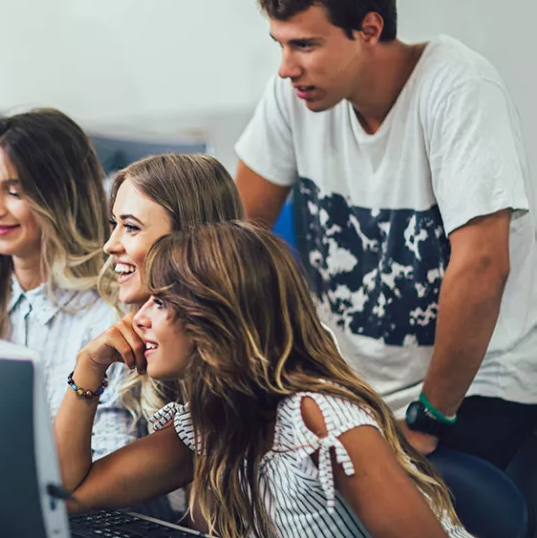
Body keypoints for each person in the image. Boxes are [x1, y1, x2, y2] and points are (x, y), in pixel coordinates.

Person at [234, 0, 537, 468]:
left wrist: (427, 420)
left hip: (471, 391)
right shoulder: (295, 94)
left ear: (368, 29)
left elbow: (484, 266)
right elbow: (236, 238)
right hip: (352, 389)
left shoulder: (458, 88)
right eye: (280, 44)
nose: (286, 66)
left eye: (305, 44)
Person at [55, 222, 471, 538]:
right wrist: (89, 367)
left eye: (160, 301)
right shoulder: (212, 424)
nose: (139, 318)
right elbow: (68, 495)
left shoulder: (317, 420)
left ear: (215, 317)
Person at [0, 109, 134, 457]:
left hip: (89, 504)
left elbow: (110, 459)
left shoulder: (109, 313)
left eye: (14, 192)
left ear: (60, 198)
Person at [101, 154, 244, 420]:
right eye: (114, 225)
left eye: (131, 227)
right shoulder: (125, 329)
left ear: (186, 237)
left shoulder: (238, 369)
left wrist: (86, 376)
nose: (109, 245)